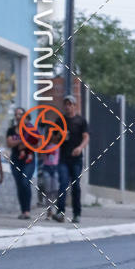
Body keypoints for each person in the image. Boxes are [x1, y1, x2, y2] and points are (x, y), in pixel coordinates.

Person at [52, 95, 89, 225]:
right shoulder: (59, 121)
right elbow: (53, 140)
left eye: (70, 104)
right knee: (63, 184)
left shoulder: (81, 121)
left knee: (75, 186)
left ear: (74, 106)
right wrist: (59, 135)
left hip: (76, 159)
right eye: (66, 104)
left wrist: (80, 148)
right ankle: (60, 213)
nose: (68, 107)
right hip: (63, 158)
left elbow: (86, 137)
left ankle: (77, 214)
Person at [6, 106, 36, 219]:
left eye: (20, 114)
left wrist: (20, 141)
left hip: (29, 159)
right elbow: (9, 143)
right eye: (16, 114)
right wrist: (24, 139)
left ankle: (27, 211)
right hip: (15, 160)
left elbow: (36, 143)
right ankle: (23, 211)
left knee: (25, 182)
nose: (18, 116)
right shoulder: (11, 130)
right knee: (19, 185)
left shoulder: (30, 128)